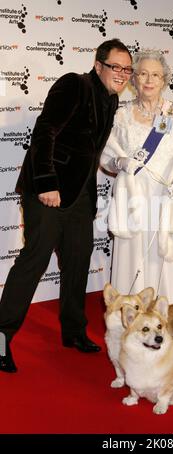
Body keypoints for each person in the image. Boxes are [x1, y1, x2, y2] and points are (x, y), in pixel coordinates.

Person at [0, 38, 133, 373]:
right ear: (99, 64)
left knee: (77, 262)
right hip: (48, 191)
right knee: (34, 261)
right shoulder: (75, 84)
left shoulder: (111, 100)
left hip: (79, 198)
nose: (122, 74)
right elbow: (45, 130)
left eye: (127, 69)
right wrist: (46, 182)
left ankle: (73, 332)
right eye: (116, 66)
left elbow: (90, 151)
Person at [101, 49, 173, 309]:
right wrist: (120, 163)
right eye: (143, 74)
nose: (149, 80)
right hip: (137, 199)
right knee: (139, 260)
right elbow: (106, 158)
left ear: (164, 80)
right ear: (133, 79)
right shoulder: (121, 116)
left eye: (155, 75)